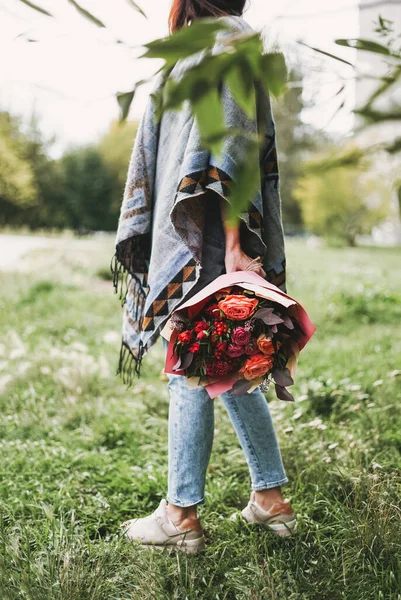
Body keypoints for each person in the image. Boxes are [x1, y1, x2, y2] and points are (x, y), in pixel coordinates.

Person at [114, 0, 296, 554]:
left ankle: (181, 515)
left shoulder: (222, 45)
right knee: (229, 367)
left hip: (206, 237)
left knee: (188, 370)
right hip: (198, 230)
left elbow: (229, 149)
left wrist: (238, 246)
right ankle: (270, 500)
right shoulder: (210, 44)